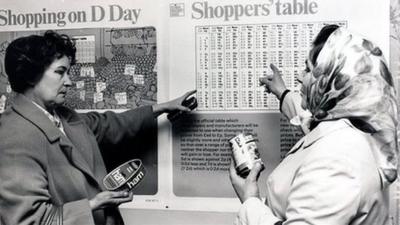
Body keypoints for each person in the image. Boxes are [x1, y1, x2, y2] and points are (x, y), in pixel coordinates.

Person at [0, 31, 196, 225]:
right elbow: (28, 221)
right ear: (31, 75)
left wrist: (161, 107)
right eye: (60, 72)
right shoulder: (14, 137)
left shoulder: (60, 115)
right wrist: (93, 205)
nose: (69, 82)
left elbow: (107, 124)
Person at [229, 24, 399, 225]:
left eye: (308, 69)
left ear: (335, 80)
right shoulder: (354, 128)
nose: (299, 76)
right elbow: (310, 122)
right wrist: (282, 93)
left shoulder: (338, 158)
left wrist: (250, 202)